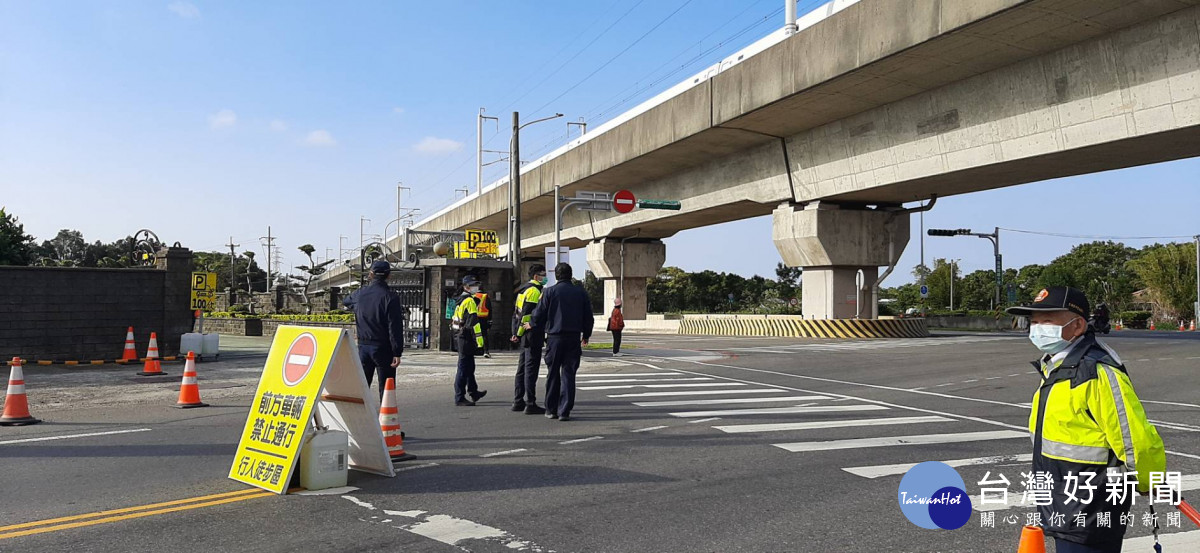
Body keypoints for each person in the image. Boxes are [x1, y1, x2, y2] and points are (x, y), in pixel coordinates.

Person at [1006, 287, 1166, 553]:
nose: (1037, 328)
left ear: (1077, 324)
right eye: (1033, 321)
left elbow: (1134, 438)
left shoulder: (1096, 371)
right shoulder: (1057, 367)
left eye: (1047, 320)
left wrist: (1149, 481)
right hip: (1064, 502)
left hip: (1092, 509)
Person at [527, 263, 593, 421]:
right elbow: (588, 316)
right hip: (573, 338)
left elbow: (539, 313)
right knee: (569, 374)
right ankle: (565, 410)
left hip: (554, 338)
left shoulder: (549, 292)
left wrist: (532, 324)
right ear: (570, 275)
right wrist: (586, 335)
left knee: (553, 373)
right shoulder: (581, 292)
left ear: (556, 275)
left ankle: (551, 409)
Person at [345, 260, 404, 403]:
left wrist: (358, 308)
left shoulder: (359, 294)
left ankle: (360, 418)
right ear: (388, 276)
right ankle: (386, 419)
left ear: (371, 274)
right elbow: (394, 326)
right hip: (384, 347)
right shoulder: (390, 297)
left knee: (362, 386)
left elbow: (346, 301)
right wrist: (397, 351)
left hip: (363, 346)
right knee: (386, 387)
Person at [511, 264, 547, 414]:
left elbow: (516, 314)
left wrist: (515, 332)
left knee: (522, 368)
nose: (545, 277)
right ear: (536, 276)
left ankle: (518, 401)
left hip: (524, 334)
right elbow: (526, 316)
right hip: (531, 334)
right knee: (531, 369)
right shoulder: (534, 291)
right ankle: (530, 403)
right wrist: (519, 333)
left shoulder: (523, 289)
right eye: (543, 274)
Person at [450, 275, 487, 406]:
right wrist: (480, 341)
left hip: (460, 335)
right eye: (473, 285)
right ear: (466, 287)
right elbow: (474, 323)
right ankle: (459, 397)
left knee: (469, 367)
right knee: (463, 368)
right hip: (466, 337)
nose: (476, 287)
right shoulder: (469, 301)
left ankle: (473, 391)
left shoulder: (460, 299)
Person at [474, 287, 492, 358]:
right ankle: (486, 351)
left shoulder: (473, 296)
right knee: (484, 335)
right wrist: (490, 320)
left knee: (475, 335)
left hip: (475, 318)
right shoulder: (485, 296)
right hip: (484, 318)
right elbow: (489, 308)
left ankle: (476, 350)